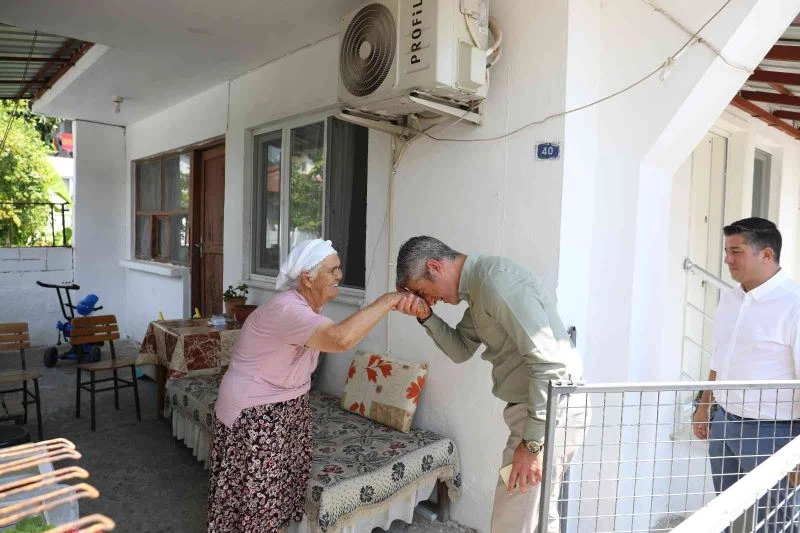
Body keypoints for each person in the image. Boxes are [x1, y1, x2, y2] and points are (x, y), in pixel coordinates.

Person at [207, 239, 417, 533]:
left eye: (339, 268)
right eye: (332, 270)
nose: (339, 275)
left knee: (277, 496)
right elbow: (340, 339)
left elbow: (336, 336)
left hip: (287, 408)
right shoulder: (287, 310)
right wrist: (389, 300)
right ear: (307, 278)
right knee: (257, 501)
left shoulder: (306, 310)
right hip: (255, 414)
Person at [393, 235, 587, 533]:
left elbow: (549, 366)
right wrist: (425, 316)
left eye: (423, 292)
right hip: (543, 412)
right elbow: (460, 349)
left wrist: (532, 445)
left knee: (511, 520)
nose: (429, 300)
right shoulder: (479, 293)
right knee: (538, 517)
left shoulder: (495, 283)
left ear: (435, 267)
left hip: (548, 414)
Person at [692, 217, 800, 530]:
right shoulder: (730, 298)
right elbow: (719, 357)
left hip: (775, 433)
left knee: (775, 522)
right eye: (727, 251)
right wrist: (705, 407)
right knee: (729, 516)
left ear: (766, 254)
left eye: (736, 251)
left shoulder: (794, 305)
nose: (728, 259)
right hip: (724, 424)